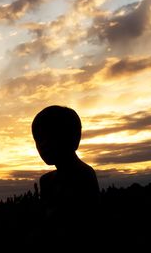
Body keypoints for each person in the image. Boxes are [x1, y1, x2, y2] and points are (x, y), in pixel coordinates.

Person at [31, 105, 100, 247]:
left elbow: (87, 226)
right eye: (38, 139)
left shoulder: (84, 175)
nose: (42, 145)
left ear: (72, 138)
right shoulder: (46, 181)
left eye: (49, 137)